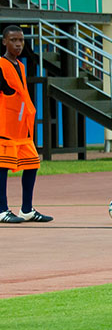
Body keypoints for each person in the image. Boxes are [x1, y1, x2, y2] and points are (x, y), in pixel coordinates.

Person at [0, 25, 52, 223]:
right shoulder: (1, 65)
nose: (18, 44)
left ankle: (27, 210)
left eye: (21, 40)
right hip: (4, 128)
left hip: (22, 129)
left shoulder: (19, 66)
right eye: (13, 40)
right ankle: (2, 210)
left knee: (32, 164)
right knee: (2, 167)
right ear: (4, 42)